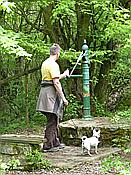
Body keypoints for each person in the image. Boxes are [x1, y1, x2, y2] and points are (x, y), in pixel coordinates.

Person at [36, 43, 69, 152]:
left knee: (53, 119)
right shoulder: (54, 65)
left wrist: (63, 75)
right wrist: (63, 98)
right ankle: (48, 145)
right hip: (50, 95)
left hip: (44, 93)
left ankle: (55, 142)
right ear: (57, 53)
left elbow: (53, 78)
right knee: (52, 119)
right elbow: (55, 82)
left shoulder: (45, 63)